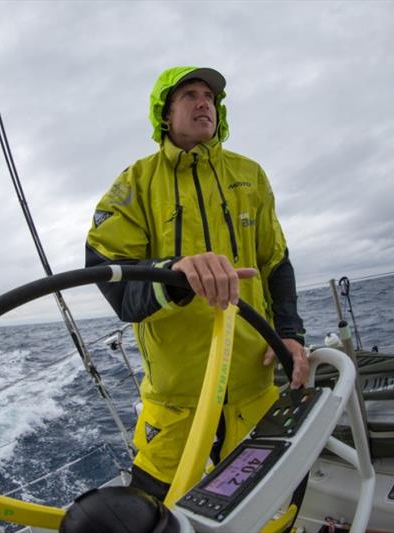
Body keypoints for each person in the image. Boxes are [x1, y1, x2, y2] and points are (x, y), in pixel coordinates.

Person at [85, 66, 308, 501]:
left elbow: (276, 262)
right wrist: (176, 274)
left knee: (273, 509)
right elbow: (113, 279)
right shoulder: (135, 184)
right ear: (165, 114)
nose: (204, 102)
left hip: (253, 386)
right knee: (156, 513)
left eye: (209, 96)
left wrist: (291, 335)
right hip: (176, 399)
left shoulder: (251, 175)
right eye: (189, 94)